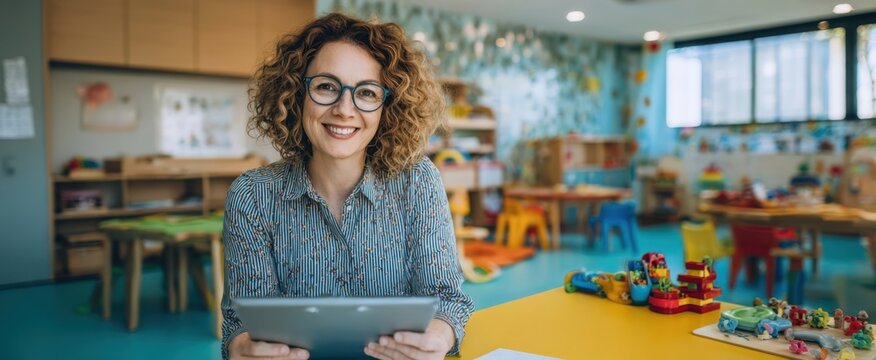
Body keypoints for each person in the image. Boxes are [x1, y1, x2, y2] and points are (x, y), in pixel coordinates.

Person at [221, 12, 474, 360]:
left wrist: (441, 335)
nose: (344, 109)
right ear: (297, 92)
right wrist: (240, 346)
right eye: (326, 86)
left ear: (388, 106)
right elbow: (241, 322)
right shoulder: (252, 196)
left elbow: (448, 299)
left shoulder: (418, 181)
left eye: (367, 93)